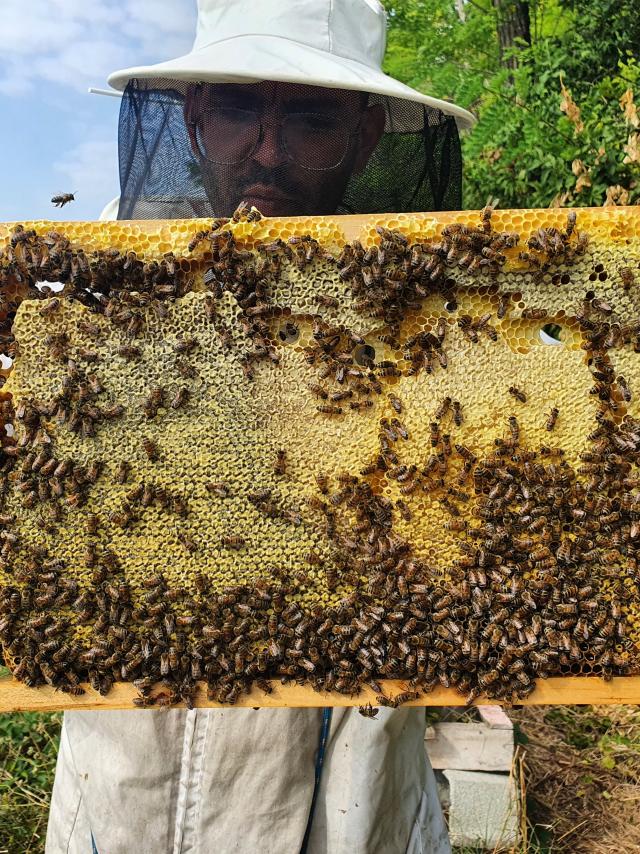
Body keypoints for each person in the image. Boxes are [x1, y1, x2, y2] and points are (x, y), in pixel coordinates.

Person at [45, 1, 475, 852]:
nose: (268, 152)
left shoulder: (450, 332)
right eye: (241, 109)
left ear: (367, 135)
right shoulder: (79, 302)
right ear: (197, 115)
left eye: (310, 118)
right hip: (120, 814)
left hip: (353, 817)